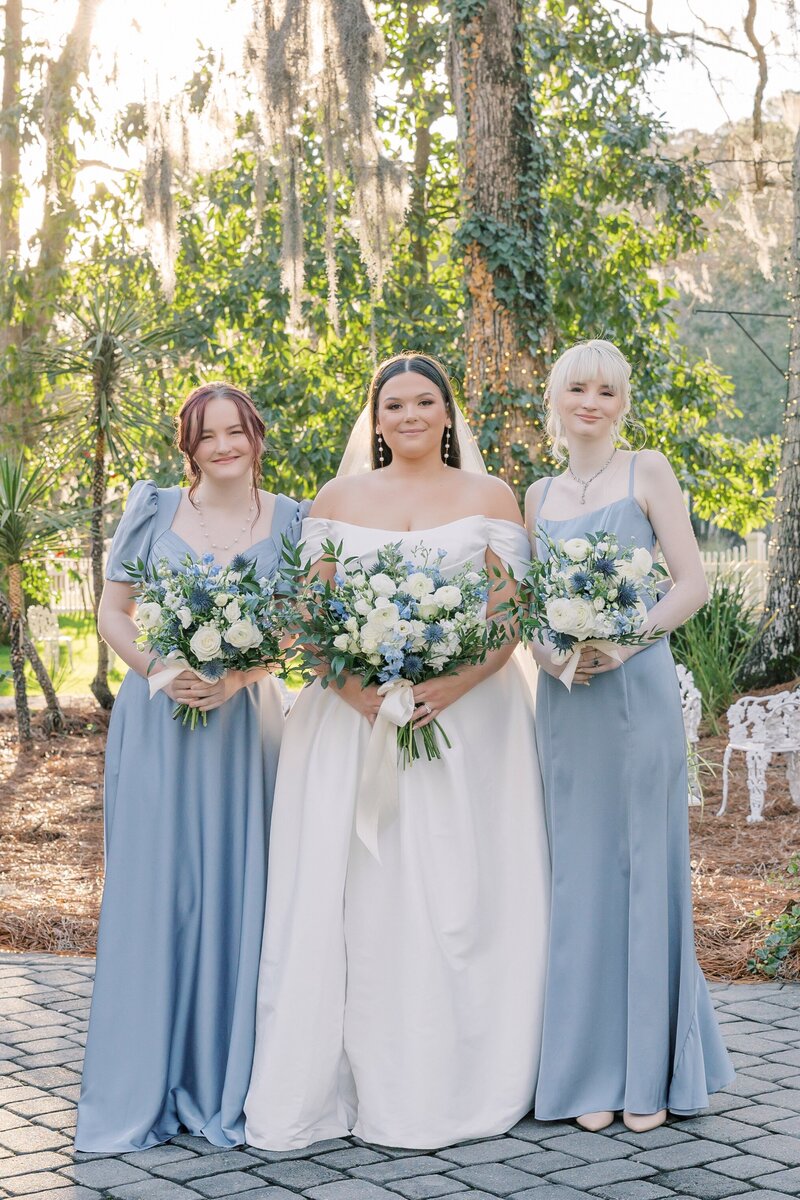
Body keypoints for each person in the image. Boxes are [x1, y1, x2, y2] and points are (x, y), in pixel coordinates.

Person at [244, 352, 550, 1151]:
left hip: (470, 722)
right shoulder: (337, 498)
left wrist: (452, 685)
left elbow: (507, 615)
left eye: (424, 403)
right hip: (351, 720)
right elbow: (309, 614)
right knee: (357, 895)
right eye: (393, 406)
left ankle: (461, 1074)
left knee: (460, 893)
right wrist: (355, 693)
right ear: (374, 420)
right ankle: (342, 1079)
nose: (409, 416)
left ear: (449, 413)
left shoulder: (491, 497)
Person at [75, 382, 305, 1152]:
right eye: (209, 436)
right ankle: (144, 1080)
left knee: (239, 891)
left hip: (242, 725)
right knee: (158, 890)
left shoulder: (292, 521)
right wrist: (158, 669)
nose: (225, 446)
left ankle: (220, 1080)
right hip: (160, 720)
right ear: (189, 445)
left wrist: (236, 677)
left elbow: (299, 628)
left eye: (236, 431)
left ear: (256, 436)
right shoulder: (152, 508)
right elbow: (113, 610)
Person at [525, 339, 734, 1133]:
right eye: (578, 388)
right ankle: (589, 1076)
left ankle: (649, 1072)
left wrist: (626, 638)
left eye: (607, 392)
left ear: (622, 405)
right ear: (557, 398)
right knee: (579, 875)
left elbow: (693, 582)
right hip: (567, 702)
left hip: (637, 689)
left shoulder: (648, 471)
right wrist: (549, 654)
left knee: (644, 868)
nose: (592, 402)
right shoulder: (537, 494)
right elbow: (527, 608)